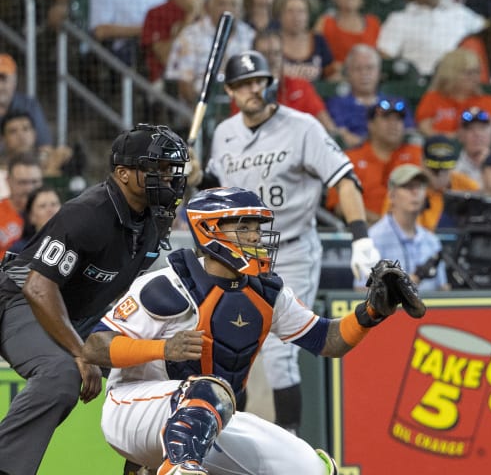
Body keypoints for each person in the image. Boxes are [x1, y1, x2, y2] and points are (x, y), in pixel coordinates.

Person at [82, 187, 417, 474]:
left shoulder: (266, 292)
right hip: (133, 409)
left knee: (311, 468)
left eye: (257, 226)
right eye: (244, 226)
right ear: (209, 229)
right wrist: (163, 349)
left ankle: (178, 463)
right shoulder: (166, 284)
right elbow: (96, 346)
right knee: (208, 391)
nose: (256, 235)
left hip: (209, 418)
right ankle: (177, 467)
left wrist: (372, 313)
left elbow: (326, 340)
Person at [199, 51, 380, 434]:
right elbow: (217, 192)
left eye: (259, 80)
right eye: (244, 83)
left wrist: (360, 238)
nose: (253, 88)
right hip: (239, 253)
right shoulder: (224, 132)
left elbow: (343, 178)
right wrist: (198, 179)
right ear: (230, 90)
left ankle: (291, 442)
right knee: (230, 346)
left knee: (281, 353)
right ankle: (229, 437)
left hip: (293, 248)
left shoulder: (303, 127)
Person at [0, 124, 188, 474]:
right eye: (156, 168)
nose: (166, 178)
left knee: (164, 368)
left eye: (169, 170)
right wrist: (81, 351)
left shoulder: (152, 219)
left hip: (76, 313)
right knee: (60, 376)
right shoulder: (88, 212)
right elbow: (39, 287)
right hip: (20, 300)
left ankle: (145, 467)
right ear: (123, 174)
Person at [165, 0, 255, 104]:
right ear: (209, 6)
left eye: (233, 4)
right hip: (200, 105)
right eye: (221, 3)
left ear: (241, 9)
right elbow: (183, 84)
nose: (227, 9)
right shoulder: (190, 36)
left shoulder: (250, 35)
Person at [369, 165, 450, 292]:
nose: (415, 192)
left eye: (420, 187)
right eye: (408, 187)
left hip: (431, 310)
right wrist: (410, 282)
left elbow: (443, 289)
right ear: (391, 195)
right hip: (391, 311)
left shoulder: (432, 241)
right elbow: (362, 291)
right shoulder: (374, 238)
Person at [325, 44, 414, 140]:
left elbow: (408, 132)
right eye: (358, 69)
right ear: (348, 74)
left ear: (379, 72)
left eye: (369, 68)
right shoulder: (336, 104)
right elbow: (340, 134)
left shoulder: (396, 103)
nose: (364, 74)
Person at [0, 54, 53, 148]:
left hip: (25, 160)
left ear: (14, 81)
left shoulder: (28, 106)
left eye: (3, 79)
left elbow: (44, 145)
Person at [10, 185, 63, 254]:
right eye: (42, 206)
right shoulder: (19, 250)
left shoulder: (75, 243)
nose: (50, 210)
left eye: (54, 204)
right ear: (31, 216)